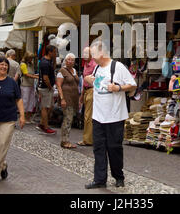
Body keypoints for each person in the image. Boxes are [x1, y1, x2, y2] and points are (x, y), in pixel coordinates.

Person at [83, 41, 137, 189]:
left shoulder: (117, 67)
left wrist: (118, 87)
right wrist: (88, 79)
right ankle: (99, 179)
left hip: (114, 116)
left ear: (101, 53)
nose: (92, 58)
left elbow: (133, 85)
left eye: (93, 54)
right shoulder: (97, 68)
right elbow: (92, 81)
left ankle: (118, 177)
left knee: (114, 148)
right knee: (98, 148)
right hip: (98, 116)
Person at [56, 53, 79, 149]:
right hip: (66, 98)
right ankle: (64, 141)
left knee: (70, 119)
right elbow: (58, 85)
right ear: (65, 61)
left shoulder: (74, 71)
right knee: (67, 119)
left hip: (74, 98)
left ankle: (66, 139)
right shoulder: (62, 71)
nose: (70, 61)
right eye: (68, 59)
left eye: (72, 60)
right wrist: (62, 99)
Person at [78, 47, 96, 146]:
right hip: (86, 91)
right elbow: (84, 82)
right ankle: (89, 138)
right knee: (88, 115)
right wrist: (82, 95)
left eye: (86, 53)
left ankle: (87, 140)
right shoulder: (86, 64)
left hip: (92, 90)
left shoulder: (94, 64)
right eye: (83, 53)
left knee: (88, 116)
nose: (84, 55)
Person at [37, 45, 57, 135]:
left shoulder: (49, 61)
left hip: (48, 87)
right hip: (45, 88)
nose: (55, 53)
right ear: (50, 52)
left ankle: (42, 123)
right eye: (54, 52)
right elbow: (45, 78)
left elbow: (53, 68)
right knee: (45, 107)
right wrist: (50, 87)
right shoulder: (44, 62)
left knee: (50, 106)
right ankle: (45, 127)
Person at [20, 51, 39, 124]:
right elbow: (26, 74)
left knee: (31, 101)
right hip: (25, 85)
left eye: (32, 58)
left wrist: (35, 76)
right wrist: (36, 77)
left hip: (31, 85)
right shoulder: (23, 64)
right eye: (30, 58)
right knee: (25, 101)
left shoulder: (31, 64)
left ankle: (28, 117)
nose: (31, 59)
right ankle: (23, 117)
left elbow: (31, 73)